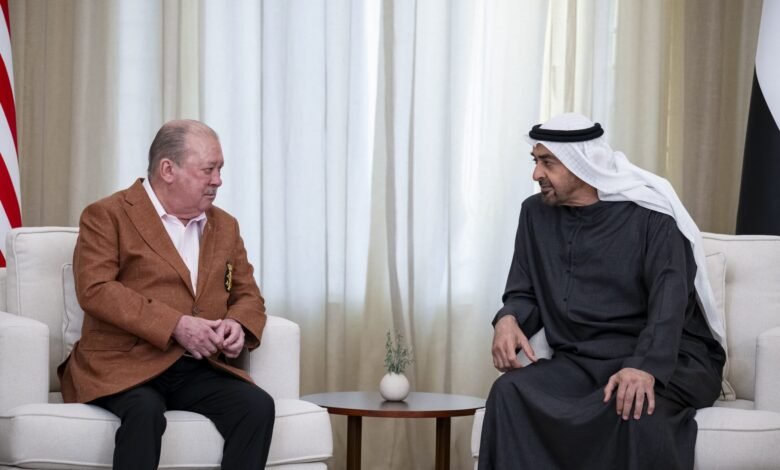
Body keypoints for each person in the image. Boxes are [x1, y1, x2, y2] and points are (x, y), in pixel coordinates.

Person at [478, 113, 726, 469]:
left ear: (582, 164)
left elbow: (668, 306)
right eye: (535, 161)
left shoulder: (652, 217)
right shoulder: (534, 214)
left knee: (633, 408)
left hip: (669, 358)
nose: (536, 174)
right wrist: (508, 319)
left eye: (547, 162)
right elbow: (524, 291)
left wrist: (644, 367)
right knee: (509, 392)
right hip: (582, 359)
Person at [57, 120, 274, 470]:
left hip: (195, 367)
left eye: (220, 169)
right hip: (124, 364)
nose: (218, 180)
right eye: (208, 169)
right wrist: (175, 325)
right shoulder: (106, 215)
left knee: (257, 406)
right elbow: (95, 290)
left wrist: (237, 324)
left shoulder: (225, 226)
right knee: (144, 411)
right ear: (168, 170)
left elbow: (248, 295)